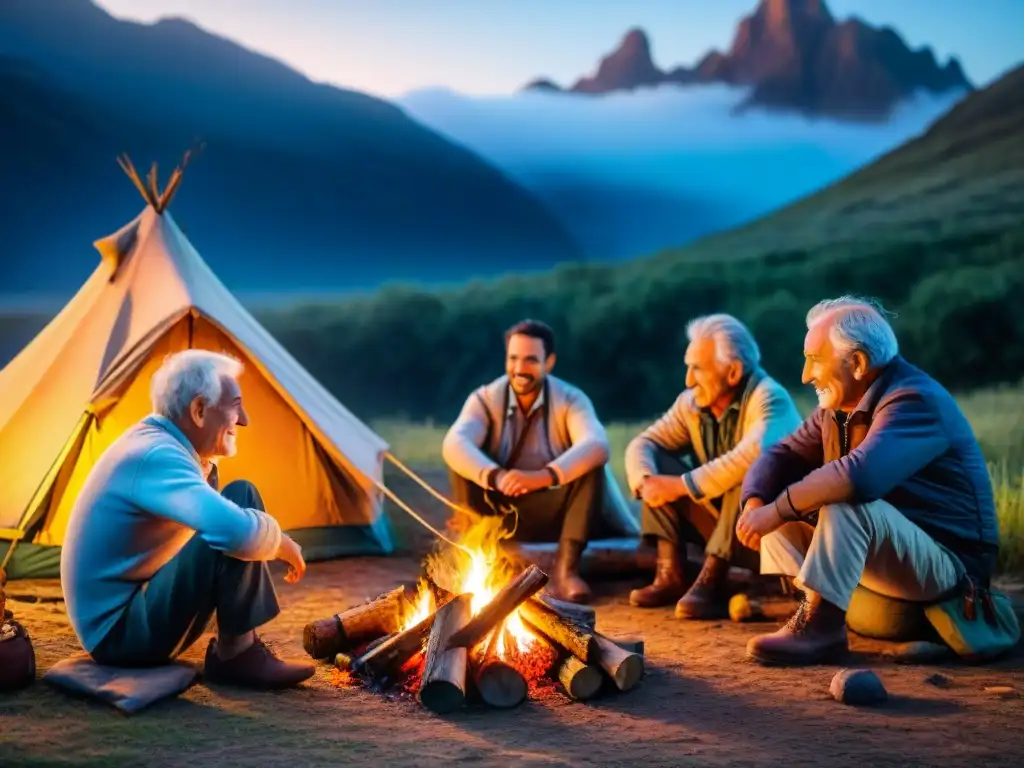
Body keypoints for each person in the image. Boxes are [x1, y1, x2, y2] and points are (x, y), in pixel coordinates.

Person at [737, 296, 999, 665]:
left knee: (843, 500)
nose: (805, 374)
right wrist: (756, 503)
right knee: (781, 496)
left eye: (814, 360)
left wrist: (778, 510)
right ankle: (813, 607)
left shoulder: (914, 400)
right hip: (894, 557)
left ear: (857, 363)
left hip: (949, 565)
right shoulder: (837, 407)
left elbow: (858, 477)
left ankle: (821, 630)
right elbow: (783, 455)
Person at [61, 350, 315, 688]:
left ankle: (236, 651)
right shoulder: (157, 456)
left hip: (129, 615)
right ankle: (237, 656)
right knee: (239, 503)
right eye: (235, 405)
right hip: (121, 634)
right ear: (198, 410)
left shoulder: (162, 446)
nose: (244, 420)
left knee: (237, 502)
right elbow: (233, 531)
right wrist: (281, 543)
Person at [442, 319, 638, 604]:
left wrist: (543, 477)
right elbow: (454, 443)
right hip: (502, 510)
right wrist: (495, 475)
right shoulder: (484, 398)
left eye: (531, 360)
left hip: (561, 515)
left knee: (590, 466)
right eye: (513, 359)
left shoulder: (571, 398)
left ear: (550, 362)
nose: (520, 369)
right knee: (463, 465)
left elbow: (597, 445)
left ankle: (567, 570)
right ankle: (483, 564)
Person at [624, 314, 802, 618]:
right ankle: (670, 574)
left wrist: (678, 486)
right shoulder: (691, 403)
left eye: (697, 369)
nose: (688, 380)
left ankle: (711, 581)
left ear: (732, 372)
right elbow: (644, 443)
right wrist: (645, 481)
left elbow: (754, 454)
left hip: (765, 534)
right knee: (657, 467)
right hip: (720, 523)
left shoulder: (770, 398)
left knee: (749, 474)